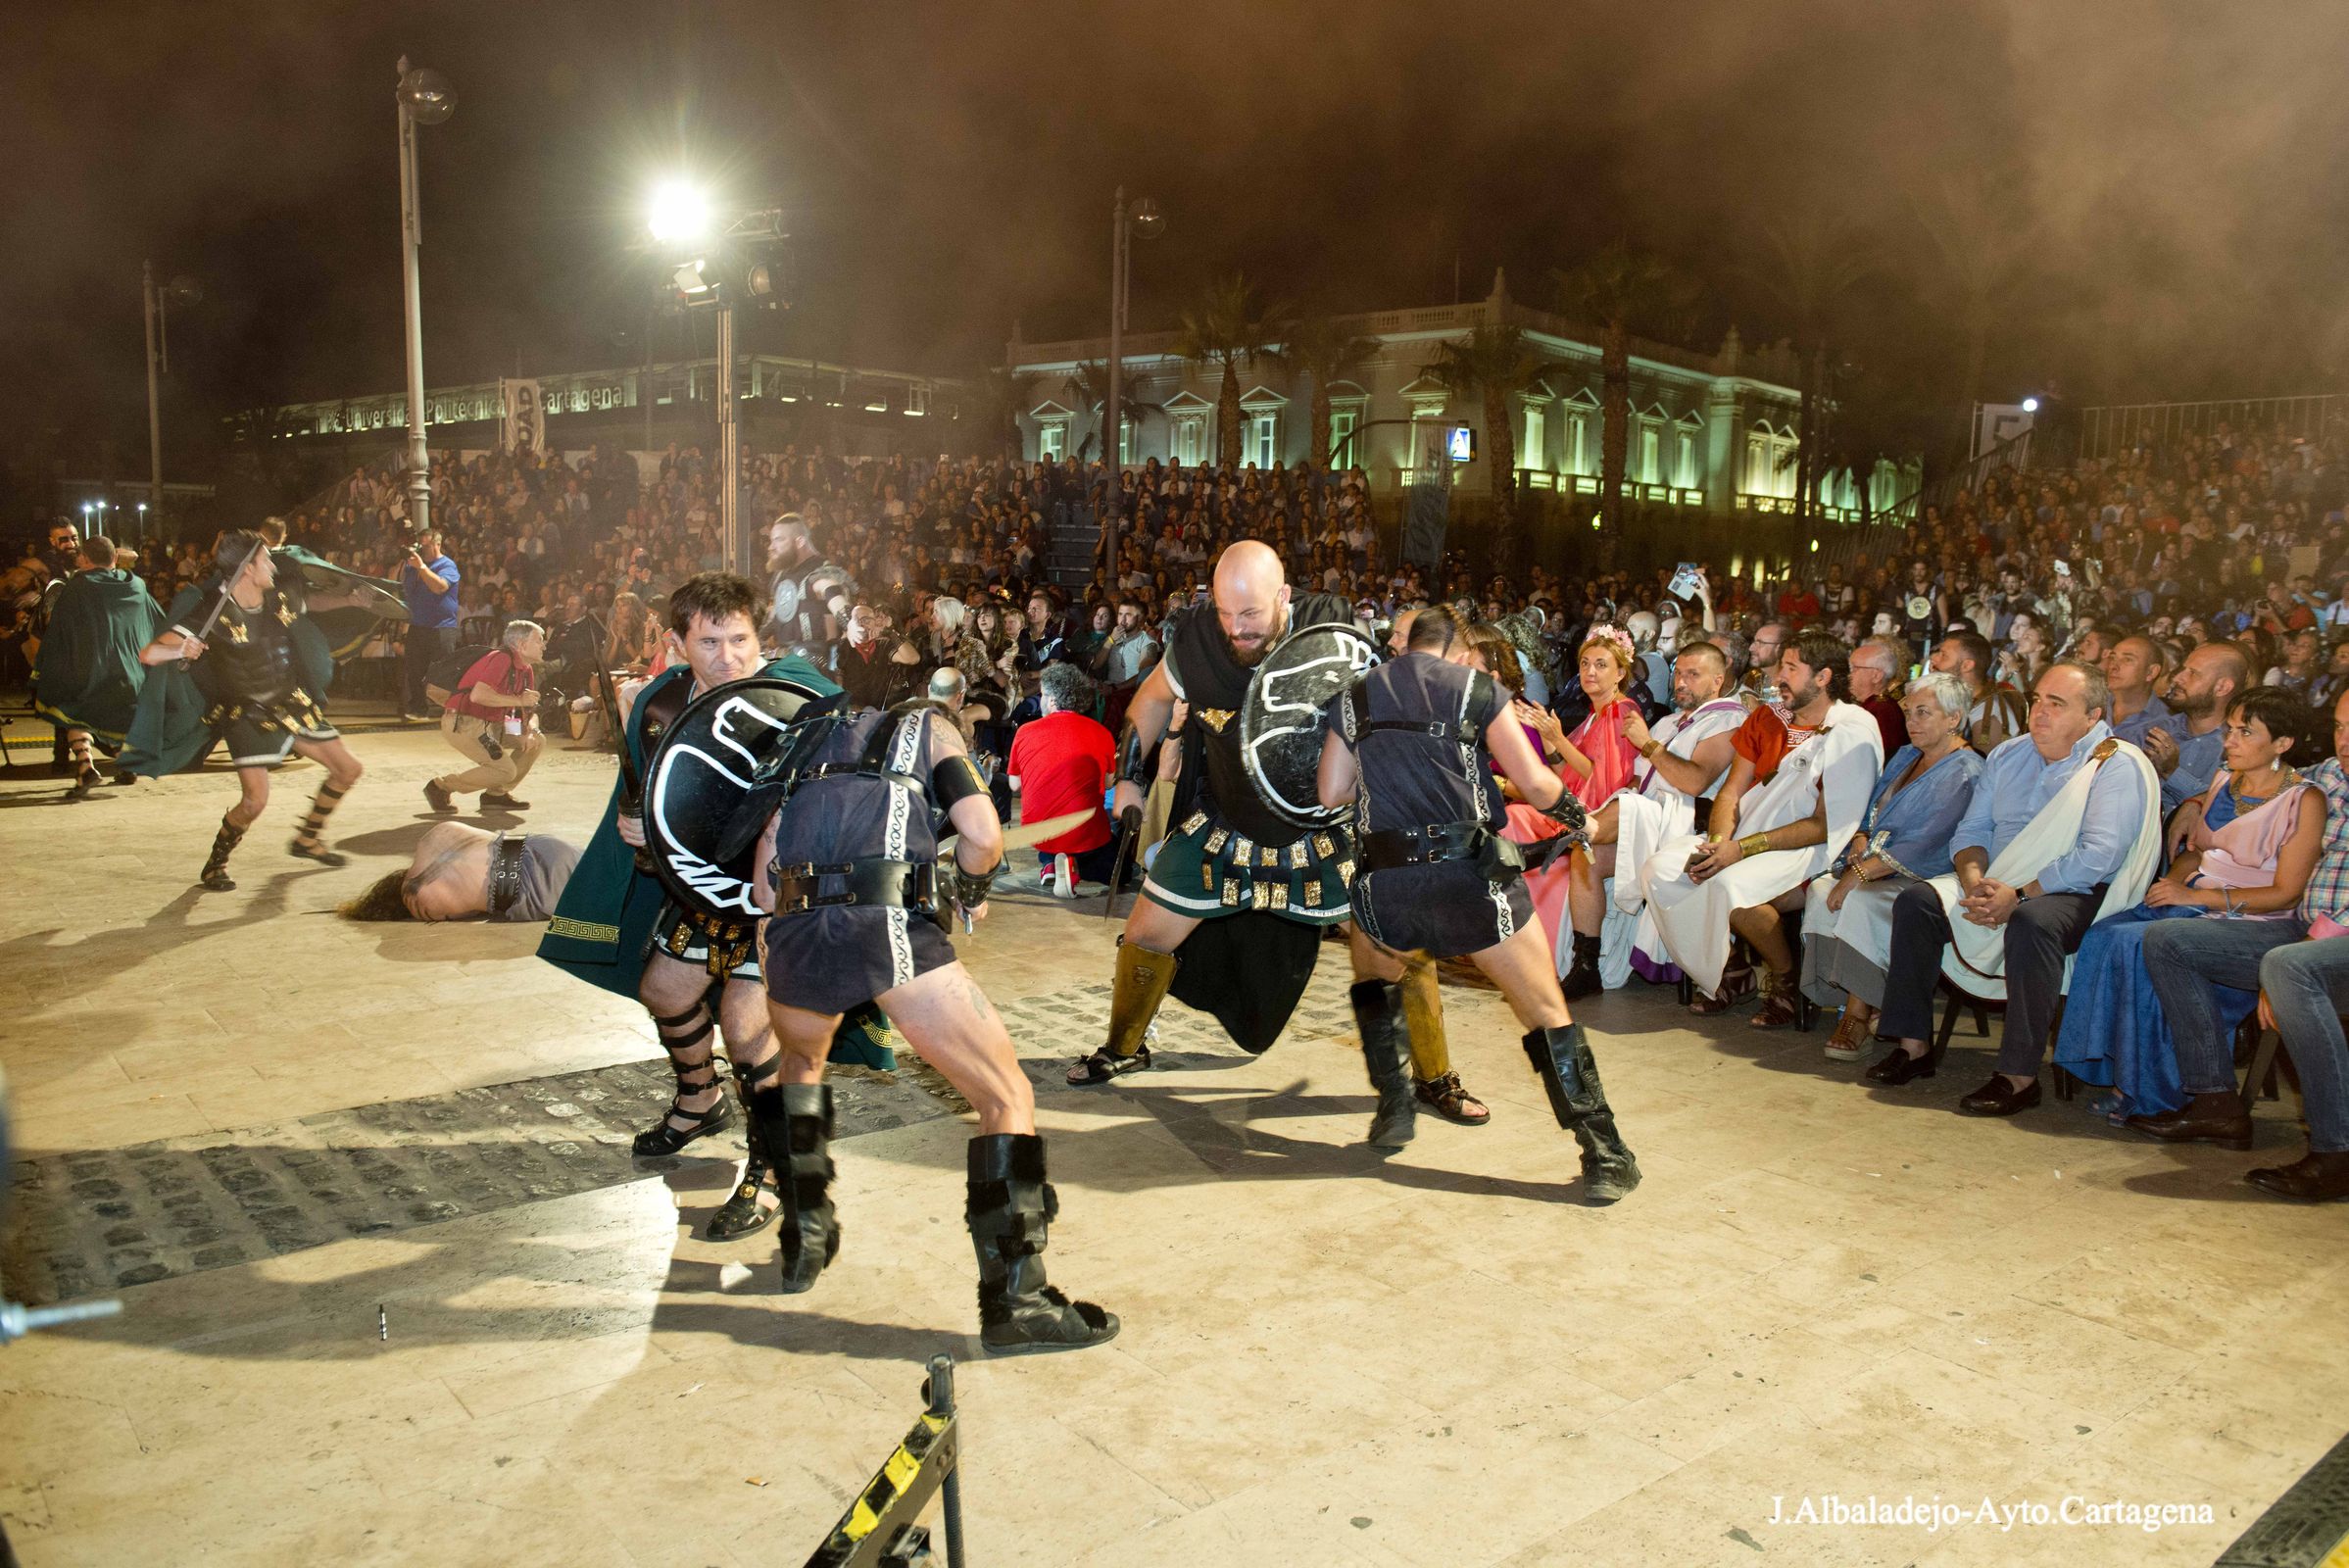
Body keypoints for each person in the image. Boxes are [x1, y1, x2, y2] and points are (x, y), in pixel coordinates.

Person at [746, 666, 1120, 1352]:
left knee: (799, 1065)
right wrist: (971, 888)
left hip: (794, 924)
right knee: (1006, 1095)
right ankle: (1019, 1302)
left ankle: (805, 1235)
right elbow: (982, 834)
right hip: (884, 922)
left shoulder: (814, 740)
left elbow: (764, 872)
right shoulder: (932, 729)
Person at [1065, 543, 1486, 1145]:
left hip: (1327, 835)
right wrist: (1129, 775)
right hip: (1226, 827)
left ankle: (1434, 1078)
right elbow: (1153, 699)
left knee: (1401, 945)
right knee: (1145, 935)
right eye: (1226, 614)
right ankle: (1124, 1048)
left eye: (1251, 615)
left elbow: (1390, 709)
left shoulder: (1334, 626)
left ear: (1283, 598)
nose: (1236, 629)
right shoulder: (1196, 639)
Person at [537, 572, 875, 1244]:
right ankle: (701, 1101)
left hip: (785, 894)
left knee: (748, 1027)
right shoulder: (661, 703)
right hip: (704, 889)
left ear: (760, 637)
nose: (728, 656)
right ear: (677, 642)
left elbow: (850, 794)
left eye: (740, 640)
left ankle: (776, 1171)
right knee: (664, 991)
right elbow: (649, 796)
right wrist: (643, 831)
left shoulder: (804, 696)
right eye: (710, 641)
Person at [1317, 606, 1639, 1200]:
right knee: (1545, 1011)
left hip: (1387, 884)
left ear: (1406, 646)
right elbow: (1539, 784)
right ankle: (1606, 1153)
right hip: (1468, 879)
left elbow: (1332, 791)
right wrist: (1581, 818)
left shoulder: (1355, 696)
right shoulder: (1474, 688)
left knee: (1375, 986)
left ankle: (1393, 1109)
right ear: (1458, 650)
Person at [1864, 662, 2160, 1113]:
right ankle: (1913, 1047)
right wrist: (1974, 883)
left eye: (2056, 704)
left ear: (2093, 714)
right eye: (2037, 699)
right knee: (1918, 900)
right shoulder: (2008, 755)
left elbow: (2098, 857)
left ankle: (2018, 1076)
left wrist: (2019, 894)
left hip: (2076, 892)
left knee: (2032, 921)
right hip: (1998, 879)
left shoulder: (2113, 764)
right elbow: (1971, 831)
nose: (2038, 712)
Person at [2053, 689, 2324, 1123]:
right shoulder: (2223, 781)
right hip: (2198, 900)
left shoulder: (2303, 800)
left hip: (2252, 917)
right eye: (2230, 730)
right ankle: (2119, 1072)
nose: (2230, 741)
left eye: (2246, 732)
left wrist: (2195, 897)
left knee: (2136, 943)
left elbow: (2286, 893)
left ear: (2282, 744)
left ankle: (2151, 1091)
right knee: (2106, 932)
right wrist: (2171, 883)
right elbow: (2196, 851)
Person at [1643, 631, 1884, 1020]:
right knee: (1661, 870)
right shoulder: (1767, 718)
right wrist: (1720, 841)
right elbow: (1730, 794)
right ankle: (1732, 970)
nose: (1777, 679)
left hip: (1811, 850)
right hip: (1743, 840)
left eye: (1791, 668)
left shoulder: (1850, 729)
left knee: (1730, 885)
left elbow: (1825, 825)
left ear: (1823, 677)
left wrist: (1738, 850)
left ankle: (1786, 978)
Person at [129, 530, 367, 889]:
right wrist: (181, 650)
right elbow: (148, 654)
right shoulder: (211, 610)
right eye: (265, 560)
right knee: (255, 802)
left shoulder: (277, 595)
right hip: (248, 713)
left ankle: (307, 838)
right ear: (246, 569)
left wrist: (353, 599)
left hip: (291, 702)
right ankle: (216, 863)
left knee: (347, 769)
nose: (272, 565)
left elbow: (311, 602)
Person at [1801, 671, 1983, 1060]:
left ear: (1954, 719)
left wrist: (1859, 874)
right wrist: (1863, 837)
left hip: (1925, 874)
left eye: (1923, 713)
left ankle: (1857, 1010)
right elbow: (1874, 807)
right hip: (1876, 860)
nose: (1911, 722)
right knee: (1819, 892)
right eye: (1908, 713)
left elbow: (1929, 840)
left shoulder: (1965, 770)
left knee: (1861, 902)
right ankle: (1859, 997)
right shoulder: (1907, 755)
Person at [1573, 640, 1751, 995]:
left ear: (1718, 680)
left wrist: (1648, 744)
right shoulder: (1669, 721)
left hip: (1689, 826)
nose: (1681, 683)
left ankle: (1573, 830)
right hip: (1647, 818)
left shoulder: (1730, 719)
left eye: (1693, 675)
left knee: (1623, 810)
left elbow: (1696, 780)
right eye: (1678, 674)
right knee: (1586, 857)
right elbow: (1640, 778)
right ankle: (1585, 965)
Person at [1505, 625, 1645, 977]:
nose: (1590, 672)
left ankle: (1538, 942)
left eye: (1600, 664)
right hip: (1581, 807)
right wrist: (1548, 737)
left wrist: (1556, 738)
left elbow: (1605, 779)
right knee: (1514, 818)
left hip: (1602, 815)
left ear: (1621, 673)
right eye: (1584, 664)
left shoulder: (1621, 711)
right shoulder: (1594, 715)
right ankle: (1520, 938)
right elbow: (1567, 772)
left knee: (1518, 821)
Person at [31, 534, 160, 799]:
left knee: (72, 709)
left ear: (84, 559)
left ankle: (86, 766)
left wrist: (44, 667)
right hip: (131, 675)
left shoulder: (78, 587)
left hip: (90, 673)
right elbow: (157, 622)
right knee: (123, 716)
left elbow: (59, 632)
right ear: (115, 558)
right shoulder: (136, 585)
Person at [1006, 662, 1116, 898]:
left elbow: (1014, 785)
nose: (1041, 700)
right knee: (1120, 867)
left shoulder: (1025, 731)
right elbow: (1108, 784)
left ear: (1054, 700)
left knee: (1050, 816)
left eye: (1043, 694)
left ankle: (1051, 863)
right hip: (1085, 829)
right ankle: (1073, 864)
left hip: (1039, 830)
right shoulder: (1101, 732)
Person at [339, 821, 582, 922]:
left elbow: (472, 909)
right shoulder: (436, 835)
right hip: (540, 848)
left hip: (526, 891)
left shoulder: (421, 903)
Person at [424, 619, 545, 814]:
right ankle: (441, 787)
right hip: (465, 722)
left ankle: (496, 795)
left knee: (536, 740)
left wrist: (528, 732)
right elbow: (478, 695)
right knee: (505, 770)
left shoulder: (525, 669)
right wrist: (520, 700)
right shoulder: (501, 659)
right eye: (539, 640)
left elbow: (516, 709)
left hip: (492, 724)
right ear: (522, 645)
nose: (544, 645)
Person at [2143, 641, 2249, 821]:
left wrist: (2173, 773)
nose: (2177, 678)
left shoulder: (2242, 746)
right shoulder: (2158, 730)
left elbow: (2227, 809)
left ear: (2222, 687)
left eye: (2192, 673)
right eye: (2183, 670)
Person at [763, 511, 854, 661]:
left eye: (779, 540)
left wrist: (851, 623)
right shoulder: (782, 576)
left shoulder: (820, 570)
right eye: (771, 540)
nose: (771, 547)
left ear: (799, 541)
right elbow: (778, 615)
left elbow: (833, 595)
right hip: (785, 664)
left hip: (814, 667)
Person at [1931, 628, 2026, 755]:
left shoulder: (1987, 714)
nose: (1934, 660)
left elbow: (1978, 770)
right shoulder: (1964, 701)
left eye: (1943, 655)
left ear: (1966, 665)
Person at [400, 527, 461, 721]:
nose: (423, 550)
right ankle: (418, 708)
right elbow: (403, 589)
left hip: (442, 627)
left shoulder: (447, 565)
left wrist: (422, 568)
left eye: (426, 546)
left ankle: (446, 710)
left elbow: (439, 587)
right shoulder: (412, 566)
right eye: (421, 546)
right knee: (414, 670)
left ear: (437, 544)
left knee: (442, 671)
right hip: (418, 625)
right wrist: (403, 560)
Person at [831, 602, 917, 711]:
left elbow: (912, 658)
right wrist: (845, 704)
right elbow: (837, 675)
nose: (861, 624)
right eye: (856, 620)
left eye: (866, 620)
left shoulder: (883, 646)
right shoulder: (847, 645)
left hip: (874, 712)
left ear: (875, 623)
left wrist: (890, 632)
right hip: (849, 709)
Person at [2100, 634, 2174, 748]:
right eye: (2112, 658)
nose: (2113, 667)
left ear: (2151, 672)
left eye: (2127, 660)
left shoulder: (2164, 724)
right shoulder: (2093, 705)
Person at [1847, 635, 1909, 759]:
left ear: (1876, 676)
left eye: (1854, 668)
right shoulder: (1872, 705)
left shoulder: (1883, 711)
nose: (1849, 675)